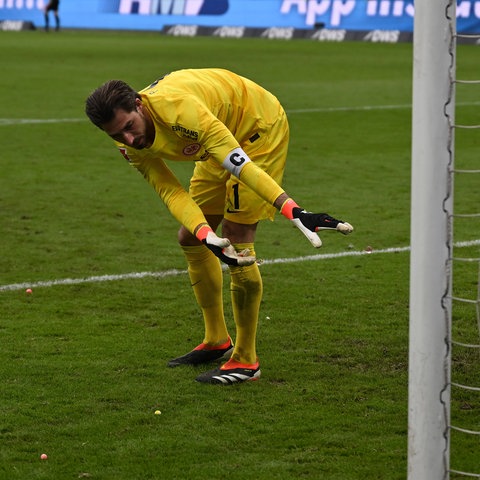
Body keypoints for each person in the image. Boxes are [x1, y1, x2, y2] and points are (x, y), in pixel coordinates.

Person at [85, 68, 353, 385]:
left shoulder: (180, 111)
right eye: (116, 134)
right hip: (212, 139)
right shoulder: (129, 143)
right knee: (190, 239)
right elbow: (171, 191)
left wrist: (290, 208)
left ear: (139, 105)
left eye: (129, 126)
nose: (129, 139)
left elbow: (238, 162)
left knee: (238, 237)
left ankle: (246, 360)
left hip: (256, 128)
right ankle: (217, 339)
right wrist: (204, 233)